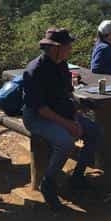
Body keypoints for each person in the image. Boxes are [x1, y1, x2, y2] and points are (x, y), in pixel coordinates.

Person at [22, 28, 102, 210]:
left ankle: (78, 176)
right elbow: (40, 108)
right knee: (65, 142)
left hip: (62, 113)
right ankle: (48, 183)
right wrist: (69, 125)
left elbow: (67, 94)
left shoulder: (61, 64)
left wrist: (75, 119)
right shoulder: (35, 70)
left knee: (95, 132)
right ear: (55, 48)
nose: (70, 49)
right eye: (68, 46)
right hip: (37, 117)